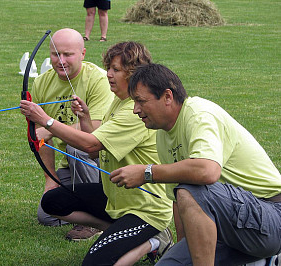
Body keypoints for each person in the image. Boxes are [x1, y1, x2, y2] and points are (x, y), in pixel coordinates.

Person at [110, 63, 281, 265]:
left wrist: (147, 172)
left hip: (270, 217)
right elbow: (179, 202)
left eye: (140, 101)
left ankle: (268, 258)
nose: (135, 110)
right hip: (224, 227)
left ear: (167, 96)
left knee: (193, 189)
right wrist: (184, 252)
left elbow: (207, 171)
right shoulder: (163, 136)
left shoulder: (200, 114)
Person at [20, 42, 174, 265]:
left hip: (144, 208)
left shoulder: (135, 110)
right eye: (109, 68)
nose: (109, 74)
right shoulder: (118, 100)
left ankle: (155, 240)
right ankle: (118, 233)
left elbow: (91, 145)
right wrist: (85, 120)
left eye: (116, 70)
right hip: (115, 196)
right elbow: (96, 152)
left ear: (134, 73)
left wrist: (46, 121)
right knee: (53, 202)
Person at [32, 28, 113, 240]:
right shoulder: (41, 82)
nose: (61, 60)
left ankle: (98, 213)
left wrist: (49, 126)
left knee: (75, 147)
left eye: (68, 54)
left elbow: (92, 134)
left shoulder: (98, 79)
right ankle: (104, 222)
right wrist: (51, 178)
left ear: (83, 54)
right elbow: (39, 139)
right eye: (55, 54)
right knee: (47, 214)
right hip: (72, 165)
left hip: (101, 163)